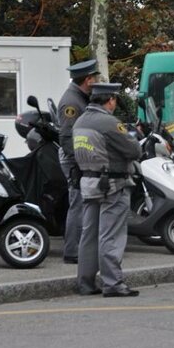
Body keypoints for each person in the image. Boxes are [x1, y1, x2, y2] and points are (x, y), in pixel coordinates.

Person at [72, 83, 141, 297]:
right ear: (110, 100)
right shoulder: (109, 123)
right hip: (113, 184)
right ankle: (113, 284)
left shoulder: (80, 121)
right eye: (115, 100)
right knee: (110, 235)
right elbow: (134, 150)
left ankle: (85, 283)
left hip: (89, 183)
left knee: (89, 235)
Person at [57, 59, 100, 264]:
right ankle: (72, 251)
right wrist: (79, 164)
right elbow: (66, 138)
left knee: (81, 203)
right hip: (75, 160)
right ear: (88, 79)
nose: (97, 81)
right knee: (78, 203)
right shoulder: (72, 102)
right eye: (95, 78)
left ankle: (78, 248)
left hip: (79, 158)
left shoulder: (80, 97)